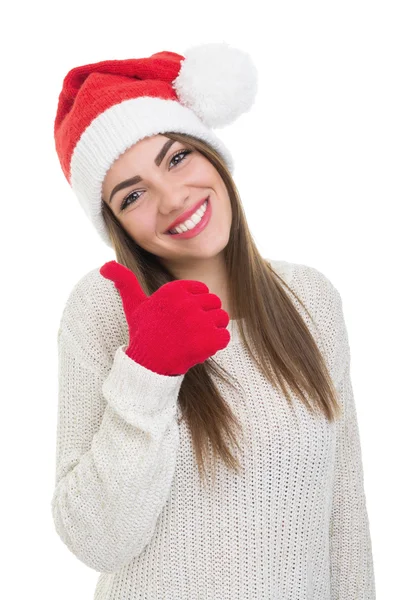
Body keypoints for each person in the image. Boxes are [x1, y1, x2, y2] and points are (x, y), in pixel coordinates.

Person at [50, 42, 376, 599]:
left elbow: (343, 519)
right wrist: (148, 370)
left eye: (177, 158)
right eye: (133, 197)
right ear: (118, 227)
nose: (173, 198)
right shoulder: (102, 309)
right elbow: (96, 540)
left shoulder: (311, 300)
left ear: (212, 153)